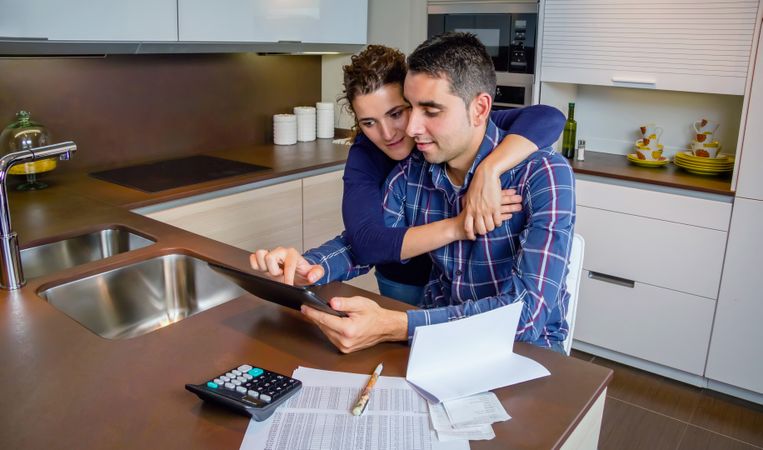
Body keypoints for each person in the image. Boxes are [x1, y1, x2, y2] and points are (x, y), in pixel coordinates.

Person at [253, 33, 575, 355]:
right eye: (411, 108)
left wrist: (396, 325)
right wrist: (310, 266)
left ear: (479, 110)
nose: (409, 129)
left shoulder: (543, 174)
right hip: (435, 347)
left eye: (430, 111)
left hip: (525, 355)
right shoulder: (414, 170)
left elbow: (526, 316)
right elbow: (363, 242)